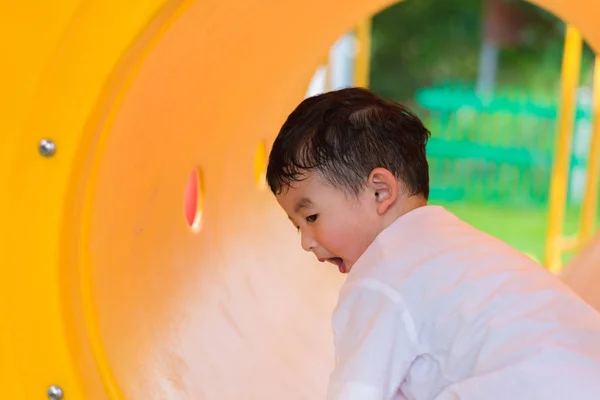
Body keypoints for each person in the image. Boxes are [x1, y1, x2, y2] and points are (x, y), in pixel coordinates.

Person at [265, 87, 600, 399]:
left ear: (380, 191)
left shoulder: (380, 276)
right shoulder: (456, 247)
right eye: (297, 227)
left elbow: (356, 392)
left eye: (311, 218)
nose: (306, 243)